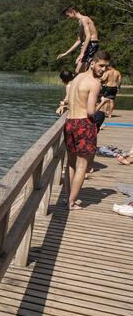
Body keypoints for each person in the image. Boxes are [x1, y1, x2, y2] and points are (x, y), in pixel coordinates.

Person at [63, 50, 110, 211]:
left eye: (106, 67)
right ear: (93, 63)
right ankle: (72, 202)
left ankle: (67, 198)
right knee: (82, 166)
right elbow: (90, 111)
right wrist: (102, 105)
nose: (103, 70)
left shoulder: (76, 78)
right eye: (101, 65)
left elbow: (69, 100)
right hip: (84, 123)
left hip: (70, 122)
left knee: (71, 163)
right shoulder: (94, 83)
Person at [56, 7, 99, 73]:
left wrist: (82, 53)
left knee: (80, 71)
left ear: (73, 12)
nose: (68, 17)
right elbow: (79, 40)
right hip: (87, 44)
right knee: (78, 69)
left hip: (92, 44)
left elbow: (88, 36)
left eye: (68, 15)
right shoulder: (80, 22)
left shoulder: (84, 19)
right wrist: (66, 53)